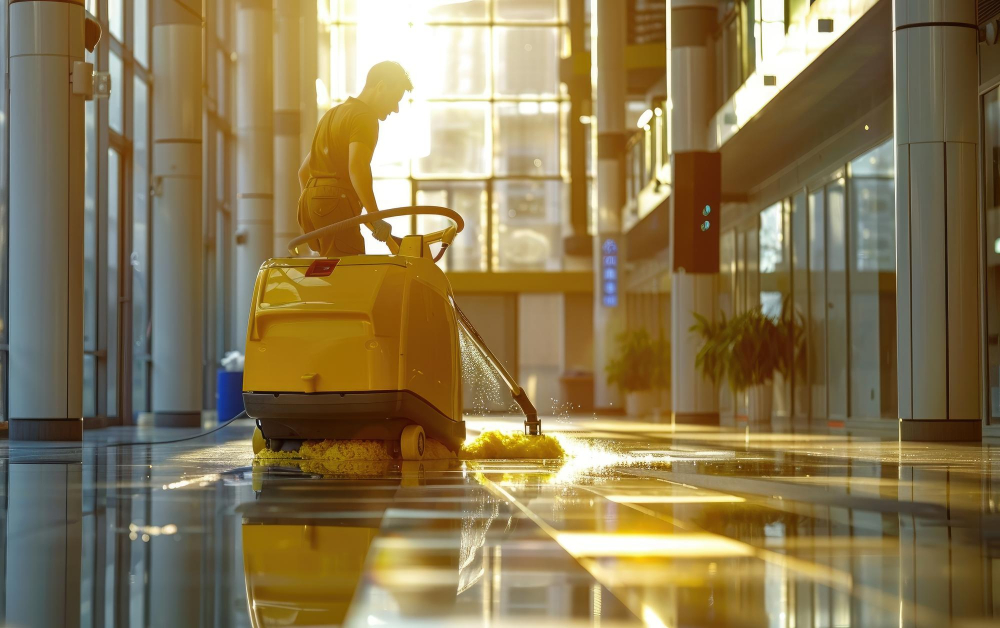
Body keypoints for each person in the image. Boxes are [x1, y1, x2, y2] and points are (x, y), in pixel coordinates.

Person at [297, 61, 412, 256]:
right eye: (395, 99)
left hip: (311, 203)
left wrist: (312, 209)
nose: (396, 109)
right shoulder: (365, 117)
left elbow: (304, 172)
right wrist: (376, 217)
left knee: (329, 270)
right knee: (348, 275)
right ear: (381, 87)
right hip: (335, 203)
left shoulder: (333, 114)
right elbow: (357, 167)